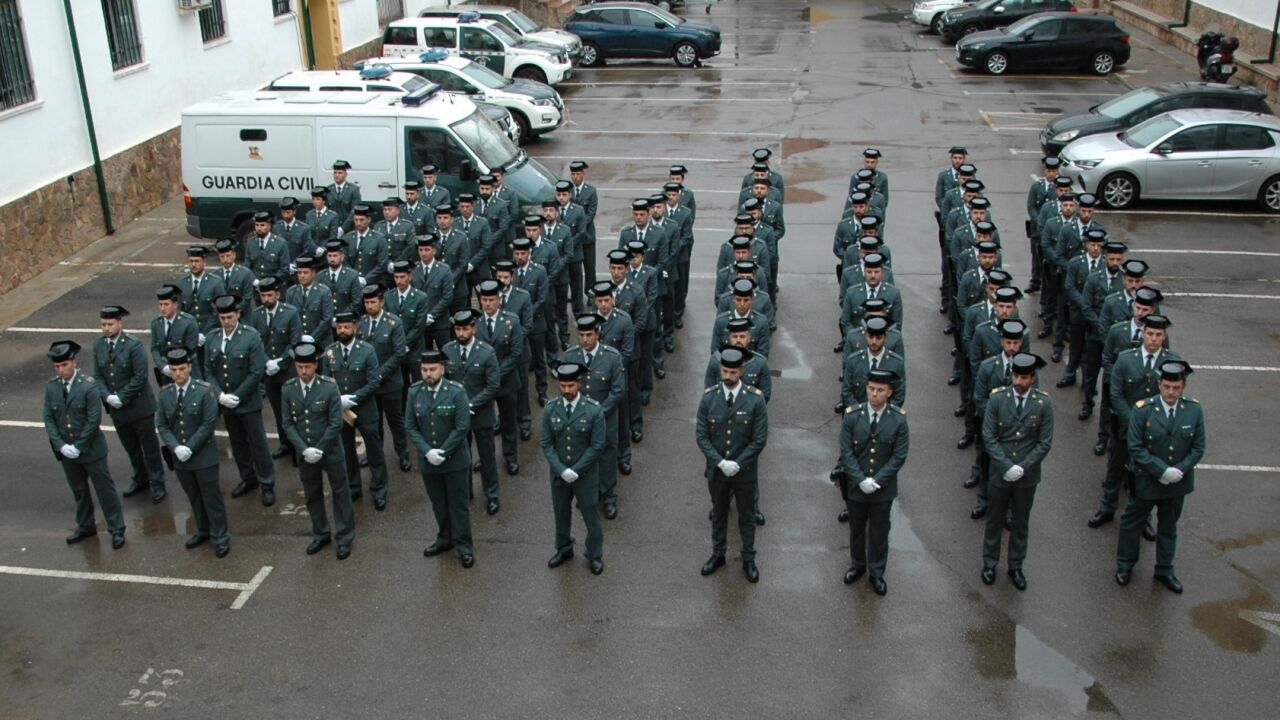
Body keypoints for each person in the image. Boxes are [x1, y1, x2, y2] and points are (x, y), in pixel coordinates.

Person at [1116, 361, 1204, 594]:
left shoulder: (1193, 410)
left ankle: (1165, 569)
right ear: (1159, 385)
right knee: (1132, 524)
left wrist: (1179, 470)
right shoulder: (1143, 409)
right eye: (1166, 386)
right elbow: (1135, 446)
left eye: (1176, 387)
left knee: (1168, 526)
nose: (1170, 392)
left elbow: (1198, 447)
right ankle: (1125, 564)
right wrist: (1161, 470)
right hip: (1147, 480)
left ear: (1183, 387)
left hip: (1177, 483)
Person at [980, 353, 1054, 591]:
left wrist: (1022, 467)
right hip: (1000, 473)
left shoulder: (1043, 403)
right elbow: (989, 437)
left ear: (1033, 378)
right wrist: (1006, 466)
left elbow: (1044, 442)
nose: (1019, 382)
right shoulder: (997, 399)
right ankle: (989, 563)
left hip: (1027, 475)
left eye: (1024, 378)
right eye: (1016, 376)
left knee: (1020, 523)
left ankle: (1015, 566)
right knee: (995, 520)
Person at [43, 339, 126, 548]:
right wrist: (61, 445)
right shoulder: (52, 388)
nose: (61, 370)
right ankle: (86, 525)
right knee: (79, 490)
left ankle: (117, 528)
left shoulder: (89, 386)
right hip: (67, 451)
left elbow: (93, 420)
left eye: (64, 365)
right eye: (57, 366)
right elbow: (49, 419)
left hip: (91, 450)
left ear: (74, 362)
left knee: (105, 490)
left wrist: (78, 446)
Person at [696, 347, 769, 583]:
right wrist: (719, 462)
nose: (728, 376)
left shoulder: (755, 399)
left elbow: (759, 439)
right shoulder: (709, 398)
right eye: (725, 371)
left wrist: (739, 463)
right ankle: (718, 554)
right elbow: (702, 436)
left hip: (744, 472)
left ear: (742, 371)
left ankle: (748, 558)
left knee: (747, 517)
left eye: (733, 372)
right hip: (718, 472)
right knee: (719, 514)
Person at [282, 342, 355, 560]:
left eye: (307, 367)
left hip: (330, 451)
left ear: (315, 365)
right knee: (312, 494)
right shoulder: (289, 389)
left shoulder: (329, 387)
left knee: (340, 493)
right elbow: (287, 424)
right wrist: (304, 449)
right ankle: (320, 533)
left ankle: (344, 537)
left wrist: (319, 448)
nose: (303, 371)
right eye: (299, 367)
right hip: (305, 453)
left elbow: (335, 423)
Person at [838, 369, 908, 595]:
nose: (874, 394)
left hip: (882, 489)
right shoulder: (852, 416)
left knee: (879, 531)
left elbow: (899, 456)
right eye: (871, 389)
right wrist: (860, 480)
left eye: (880, 390)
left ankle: (877, 572)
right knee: (857, 528)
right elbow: (846, 452)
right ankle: (858, 564)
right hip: (856, 486)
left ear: (889, 392)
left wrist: (877, 480)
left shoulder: (898, 420)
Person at [155, 348, 229, 557]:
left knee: (211, 498)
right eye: (174, 370)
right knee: (194, 496)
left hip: (204, 456)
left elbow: (208, 423)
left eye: (181, 369)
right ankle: (203, 530)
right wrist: (176, 447)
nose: (178, 373)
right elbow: (162, 424)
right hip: (181, 458)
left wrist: (190, 446)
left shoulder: (204, 391)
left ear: (189, 367)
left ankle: (220, 536)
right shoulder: (166, 393)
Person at [205, 294, 276, 507]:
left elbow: (256, 371)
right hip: (226, 402)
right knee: (237, 444)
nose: (226, 321)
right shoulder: (212, 338)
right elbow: (209, 371)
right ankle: (248, 477)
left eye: (230, 317)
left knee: (258, 443)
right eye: (223, 318)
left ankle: (267, 483)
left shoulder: (250, 336)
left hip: (247, 402)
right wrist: (220, 395)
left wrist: (238, 396)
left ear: (238, 314)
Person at [408, 350, 475, 568]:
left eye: (432, 369)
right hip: (429, 461)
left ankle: (464, 545)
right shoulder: (414, 392)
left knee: (458, 505)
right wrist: (427, 451)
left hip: (455, 461)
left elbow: (462, 427)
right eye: (424, 370)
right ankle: (445, 538)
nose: (428, 374)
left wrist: (443, 452)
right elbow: (411, 426)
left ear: (442, 369)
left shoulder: (456, 392)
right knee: (438, 503)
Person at [94, 305, 166, 503]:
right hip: (117, 409)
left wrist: (122, 397)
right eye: (103, 324)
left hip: (139, 407)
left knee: (149, 448)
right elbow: (99, 376)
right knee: (131, 447)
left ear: (120, 323)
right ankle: (141, 478)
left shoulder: (133, 345)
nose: (106, 328)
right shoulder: (99, 345)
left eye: (110, 324)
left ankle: (157, 482)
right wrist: (107, 397)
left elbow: (140, 376)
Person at [541, 362, 607, 575]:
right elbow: (547, 444)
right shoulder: (551, 409)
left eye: (570, 386)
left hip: (585, 475)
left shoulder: (593, 410)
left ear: (579, 383)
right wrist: (561, 469)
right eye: (563, 386)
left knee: (590, 516)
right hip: (559, 475)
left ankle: (594, 554)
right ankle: (564, 548)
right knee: (561, 514)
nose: (567, 390)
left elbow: (597, 445)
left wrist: (576, 470)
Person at [561, 314, 626, 520]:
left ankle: (608, 496)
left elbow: (617, 390)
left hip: (605, 418)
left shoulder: (612, 357)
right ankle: (588, 493)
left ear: (598, 334)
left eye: (589, 335)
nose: (585, 339)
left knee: (607, 456)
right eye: (581, 335)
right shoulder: (571, 356)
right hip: (579, 419)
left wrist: (597, 414)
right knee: (583, 456)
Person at [324, 311, 387, 509]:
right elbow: (325, 381)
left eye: (346, 327)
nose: (343, 331)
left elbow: (374, 382)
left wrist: (353, 398)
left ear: (355, 328)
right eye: (339, 327)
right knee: (347, 450)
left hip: (365, 409)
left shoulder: (367, 351)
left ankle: (379, 489)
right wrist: (337, 400)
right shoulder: (330, 352)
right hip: (341, 412)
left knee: (374, 451)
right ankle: (354, 487)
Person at [442, 309, 502, 514]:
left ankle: (492, 494)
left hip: (481, 413)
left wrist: (470, 405)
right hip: (457, 416)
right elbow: (445, 383)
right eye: (458, 329)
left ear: (473, 329)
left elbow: (493, 386)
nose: (461, 333)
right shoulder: (447, 351)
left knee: (487, 456)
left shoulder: (486, 352)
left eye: (465, 329)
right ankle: (465, 491)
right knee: (461, 456)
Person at [246, 278, 303, 461]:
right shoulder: (256, 315)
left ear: (277, 294)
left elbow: (295, 342)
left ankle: (297, 447)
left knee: (294, 410)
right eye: (263, 296)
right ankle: (285, 444)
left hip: (287, 370)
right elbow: (255, 342)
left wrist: (281, 362)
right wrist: (267, 362)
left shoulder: (290, 313)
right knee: (278, 410)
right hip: (269, 372)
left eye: (270, 295)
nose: (266, 299)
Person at [358, 284, 410, 474]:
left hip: (390, 383)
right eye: (366, 303)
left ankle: (402, 453)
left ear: (381, 302)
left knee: (395, 421)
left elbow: (399, 353)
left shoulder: (394, 323)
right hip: (370, 385)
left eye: (373, 302)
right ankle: (374, 453)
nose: (369, 306)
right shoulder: (361, 323)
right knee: (373, 422)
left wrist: (379, 374)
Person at [475, 279, 525, 476]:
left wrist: (495, 375)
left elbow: (516, 354)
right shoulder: (475, 323)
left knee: (508, 422)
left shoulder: (511, 321)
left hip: (506, 381)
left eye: (491, 300)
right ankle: (486, 457)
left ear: (499, 299)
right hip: (482, 384)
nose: (487, 304)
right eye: (484, 300)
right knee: (484, 424)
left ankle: (510, 456)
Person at [151, 284, 202, 385]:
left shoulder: (189, 323)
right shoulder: (156, 323)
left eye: (166, 304)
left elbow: (190, 350)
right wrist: (163, 367)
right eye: (160, 304)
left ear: (175, 304)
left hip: (187, 375)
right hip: (166, 377)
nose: (163, 308)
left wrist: (173, 367)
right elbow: (155, 349)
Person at [286, 255, 335, 347]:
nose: (302, 276)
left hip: (321, 342)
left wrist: (313, 337)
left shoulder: (324, 292)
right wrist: (300, 336)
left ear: (313, 273)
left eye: (305, 272)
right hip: (299, 342)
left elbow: (327, 319)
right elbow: (289, 319)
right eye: (299, 273)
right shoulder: (291, 292)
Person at [179, 245, 225, 334]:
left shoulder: (215, 282)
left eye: (197, 261)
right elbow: (180, 311)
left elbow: (219, 309)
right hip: (189, 332)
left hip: (210, 331)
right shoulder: (182, 283)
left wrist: (206, 332)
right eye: (191, 261)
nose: (193, 264)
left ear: (204, 262)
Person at [569, 161, 599, 292]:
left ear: (583, 174)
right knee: (574, 269)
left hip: (587, 236)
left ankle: (590, 291)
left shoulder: (591, 191)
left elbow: (591, 213)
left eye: (578, 174)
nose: (575, 177)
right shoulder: (568, 191)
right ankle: (576, 293)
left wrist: (579, 226)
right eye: (573, 174)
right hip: (573, 237)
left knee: (589, 267)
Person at [244, 212, 288, 288]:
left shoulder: (280, 243)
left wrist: (270, 282)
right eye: (257, 225)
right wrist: (254, 281)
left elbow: (284, 269)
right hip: (256, 286)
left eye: (262, 225)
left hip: (274, 286)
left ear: (269, 226)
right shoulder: (250, 243)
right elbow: (247, 267)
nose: (259, 228)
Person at [214, 238, 258, 313]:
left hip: (242, 314)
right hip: (223, 315)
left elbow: (247, 297)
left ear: (234, 255)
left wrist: (234, 311)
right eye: (222, 256)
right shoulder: (215, 275)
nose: (225, 259)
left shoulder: (245, 273)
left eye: (228, 256)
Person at [326, 160, 362, 230]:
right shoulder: (328, 190)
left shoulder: (353, 190)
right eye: (335, 173)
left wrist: (343, 229)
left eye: (340, 173)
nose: (337, 175)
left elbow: (354, 211)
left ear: (346, 174)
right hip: (332, 229)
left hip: (349, 229)